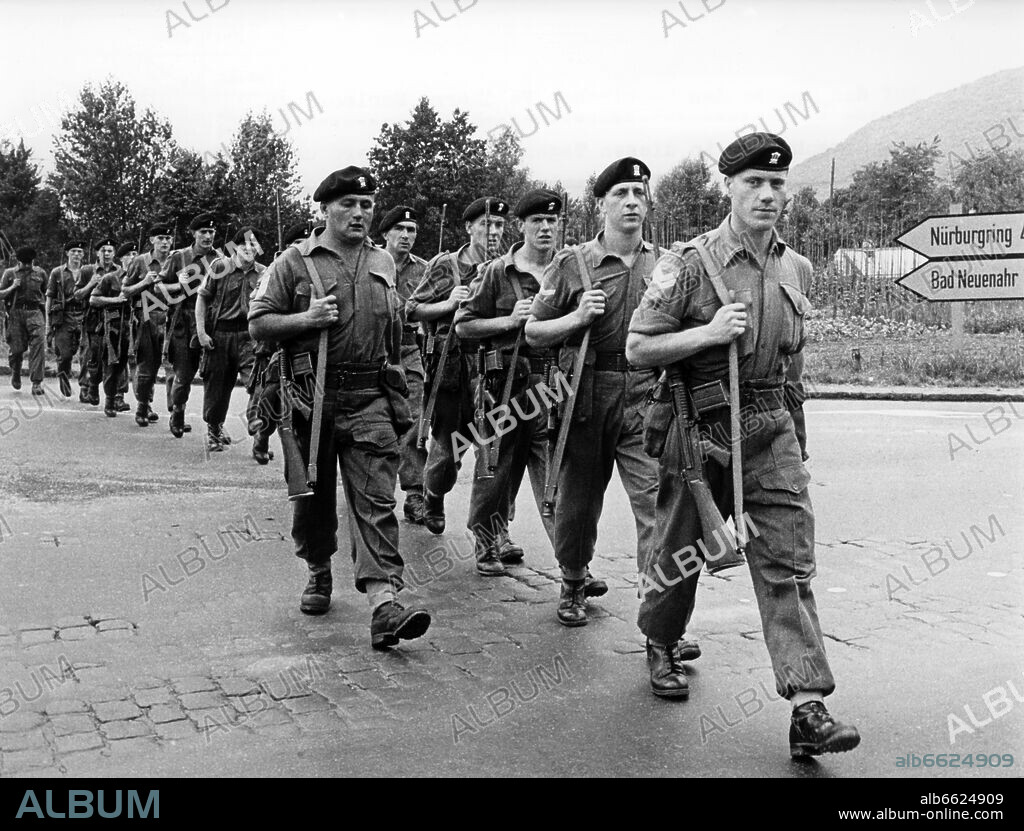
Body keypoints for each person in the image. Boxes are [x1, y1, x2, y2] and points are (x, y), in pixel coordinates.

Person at [625, 132, 860, 757]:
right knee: (682, 551)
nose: (766, 194)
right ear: (728, 187)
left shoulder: (795, 266)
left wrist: (797, 439)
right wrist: (705, 333)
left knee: (787, 564)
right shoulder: (689, 262)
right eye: (753, 182)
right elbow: (639, 346)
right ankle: (660, 639)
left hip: (771, 424)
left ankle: (808, 705)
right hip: (701, 428)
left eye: (777, 184)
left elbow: (794, 364)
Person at [249, 166, 432, 649]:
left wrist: (406, 388)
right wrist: (305, 318)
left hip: (370, 397)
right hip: (310, 399)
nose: (358, 213)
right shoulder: (295, 261)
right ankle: (317, 567)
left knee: (375, 501)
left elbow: (398, 334)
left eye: (366, 205)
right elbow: (258, 323)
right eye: (347, 204)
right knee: (311, 499)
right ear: (325, 209)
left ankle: (383, 604)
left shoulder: (383, 263)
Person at [525, 158, 661, 628]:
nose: (630, 202)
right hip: (585, 393)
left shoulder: (662, 265)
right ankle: (573, 580)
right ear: (601, 203)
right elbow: (533, 332)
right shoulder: (572, 263)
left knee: (657, 504)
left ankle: (660, 616)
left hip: (645, 394)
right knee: (578, 502)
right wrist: (577, 318)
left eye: (639, 194)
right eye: (621, 193)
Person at [455, 189, 563, 575]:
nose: (546, 228)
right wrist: (508, 321)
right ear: (523, 226)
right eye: (537, 221)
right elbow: (464, 325)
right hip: (503, 385)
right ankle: (486, 542)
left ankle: (573, 566)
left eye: (552, 220)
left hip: (553, 385)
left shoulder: (568, 269)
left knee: (555, 475)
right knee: (495, 469)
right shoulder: (497, 273)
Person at [407, 196, 508, 535]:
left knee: (495, 451)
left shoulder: (508, 268)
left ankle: (495, 531)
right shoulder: (445, 265)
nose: (493, 231)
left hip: (494, 367)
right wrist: (448, 304)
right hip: (452, 368)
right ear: (469, 227)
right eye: (486, 224)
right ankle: (433, 493)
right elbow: (413, 308)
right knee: (448, 452)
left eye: (498, 225)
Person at [380, 205, 430, 524]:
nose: (406, 236)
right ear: (385, 233)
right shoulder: (368, 262)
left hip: (409, 348)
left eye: (411, 230)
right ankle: (376, 491)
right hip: (372, 348)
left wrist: (420, 310)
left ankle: (414, 494)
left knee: (412, 421)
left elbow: (437, 307)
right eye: (400, 229)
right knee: (374, 421)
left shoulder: (424, 269)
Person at [196, 227, 265, 453]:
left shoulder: (263, 273)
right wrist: (201, 333)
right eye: (244, 244)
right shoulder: (219, 267)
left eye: (253, 244)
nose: (249, 248)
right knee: (217, 387)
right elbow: (202, 299)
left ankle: (259, 435)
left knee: (257, 383)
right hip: (220, 336)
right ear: (235, 247)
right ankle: (214, 429)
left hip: (250, 337)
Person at [121, 222, 174, 427]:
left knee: (173, 367)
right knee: (147, 367)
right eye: (160, 238)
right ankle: (143, 405)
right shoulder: (140, 262)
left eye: (168, 238)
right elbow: (125, 291)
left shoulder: (175, 261)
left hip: (172, 317)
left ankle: (176, 411)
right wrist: (144, 283)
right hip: (146, 316)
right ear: (152, 240)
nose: (165, 242)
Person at [88, 241, 132, 417]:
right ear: (121, 259)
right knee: (109, 364)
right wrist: (115, 300)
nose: (132, 259)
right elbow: (94, 300)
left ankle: (121, 397)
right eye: (128, 255)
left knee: (123, 365)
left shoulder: (143, 279)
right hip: (111, 327)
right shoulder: (110, 278)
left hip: (132, 327)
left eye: (135, 255)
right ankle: (109, 400)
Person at [0, 246, 47, 394]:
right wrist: (12, 287)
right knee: (17, 350)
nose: (27, 266)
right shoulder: (9, 274)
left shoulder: (41, 273)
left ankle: (37, 382)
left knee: (38, 345)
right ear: (18, 261)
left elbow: (46, 292)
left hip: (35, 312)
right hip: (15, 313)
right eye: (24, 263)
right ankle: (16, 370)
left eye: (30, 263)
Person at [45, 242, 87, 398]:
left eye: (80, 251)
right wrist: (48, 323)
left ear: (83, 254)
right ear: (67, 253)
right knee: (65, 355)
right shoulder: (57, 272)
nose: (76, 254)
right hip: (64, 316)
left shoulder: (87, 271)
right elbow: (49, 297)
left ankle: (85, 388)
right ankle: (63, 376)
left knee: (86, 354)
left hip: (84, 315)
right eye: (73, 251)